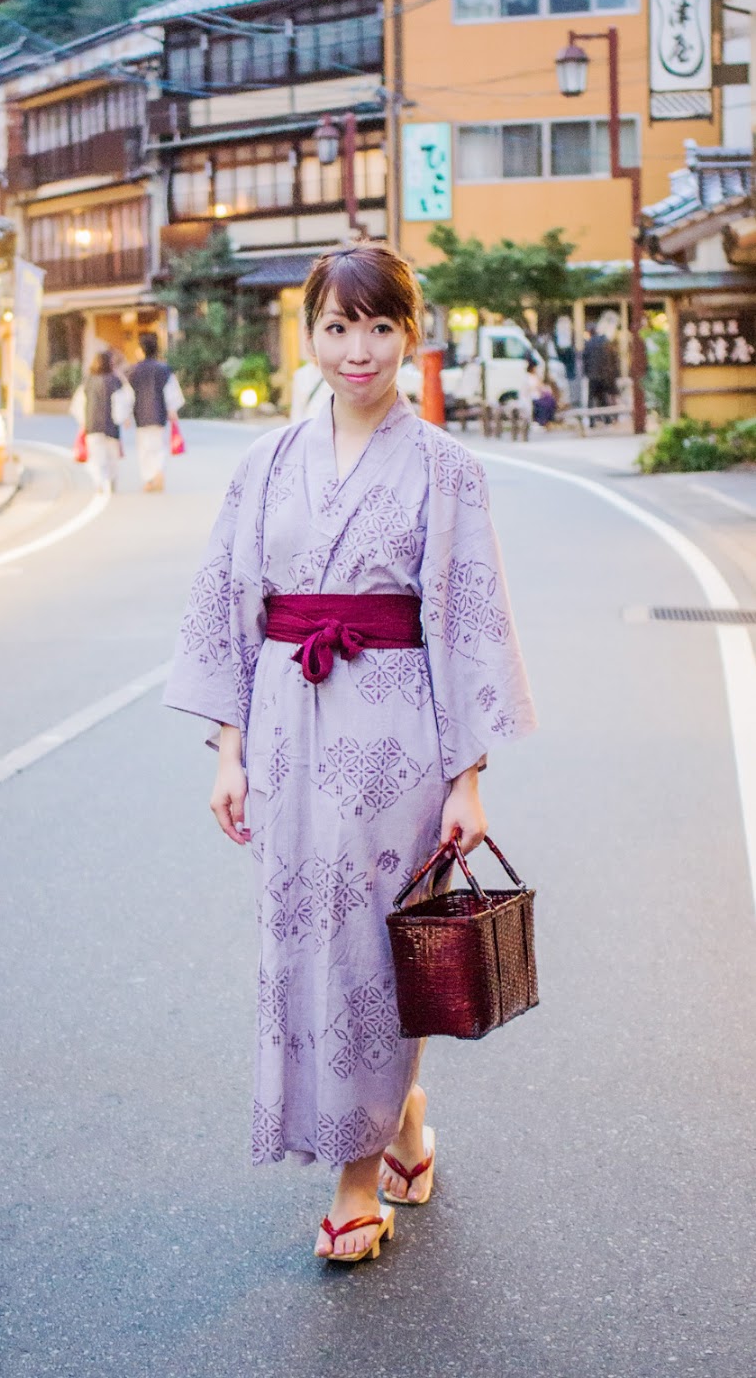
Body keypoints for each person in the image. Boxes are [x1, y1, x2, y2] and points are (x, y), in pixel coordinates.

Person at [164, 243, 536, 1267]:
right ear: (310, 333)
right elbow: (227, 605)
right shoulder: (264, 464)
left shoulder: (446, 468)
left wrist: (468, 779)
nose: (357, 349)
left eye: (378, 326)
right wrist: (228, 750)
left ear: (411, 332)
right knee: (301, 946)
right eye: (336, 326)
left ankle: (354, 1176)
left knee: (371, 955)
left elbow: (467, 618)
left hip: (393, 738)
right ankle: (404, 1113)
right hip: (286, 729)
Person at [127, 333, 182, 492]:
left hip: (141, 416)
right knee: (159, 447)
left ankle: (149, 479)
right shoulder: (163, 369)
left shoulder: (134, 371)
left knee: (144, 449)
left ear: (141, 350)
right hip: (159, 414)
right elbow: (171, 391)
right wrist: (172, 410)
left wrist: (126, 415)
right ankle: (158, 471)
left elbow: (128, 396)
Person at [75, 350, 124, 494]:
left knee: (96, 456)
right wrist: (122, 419)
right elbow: (122, 402)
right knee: (111, 456)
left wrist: (83, 421)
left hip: (93, 425)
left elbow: (79, 404)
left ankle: (99, 483)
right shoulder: (115, 381)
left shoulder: (88, 381)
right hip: (111, 426)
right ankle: (112, 480)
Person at [582, 326, 620, 413]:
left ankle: (591, 421)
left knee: (591, 398)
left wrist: (586, 373)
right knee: (603, 396)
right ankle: (607, 419)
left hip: (593, 375)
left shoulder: (588, 344)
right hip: (604, 374)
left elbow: (585, 359)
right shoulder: (605, 342)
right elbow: (613, 357)